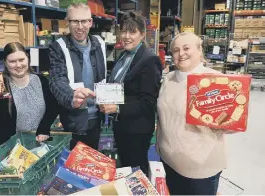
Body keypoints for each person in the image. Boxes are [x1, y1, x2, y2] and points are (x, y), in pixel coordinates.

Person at [157, 32, 233, 195]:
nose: (181, 54)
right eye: (176, 50)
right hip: (170, 160)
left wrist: (221, 120)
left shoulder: (215, 80)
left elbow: (232, 124)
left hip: (200, 167)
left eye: (186, 48)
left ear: (199, 50)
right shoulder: (169, 79)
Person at [99, 11, 162, 176]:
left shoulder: (150, 60)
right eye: (124, 31)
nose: (126, 36)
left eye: (132, 32)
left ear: (142, 34)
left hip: (137, 130)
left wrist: (117, 108)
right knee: (126, 168)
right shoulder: (124, 56)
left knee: (136, 172)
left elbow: (148, 102)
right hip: (122, 126)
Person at [0, 42, 59, 146]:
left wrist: (44, 128)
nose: (18, 65)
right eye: (12, 61)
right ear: (5, 62)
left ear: (27, 58)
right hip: (12, 148)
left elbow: (53, 108)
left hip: (40, 142)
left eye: (21, 60)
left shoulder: (41, 81)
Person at [48, 3, 107, 150]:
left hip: (98, 117)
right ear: (67, 22)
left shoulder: (99, 43)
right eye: (75, 21)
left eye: (84, 21)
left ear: (91, 22)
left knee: (93, 164)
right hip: (73, 121)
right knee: (73, 167)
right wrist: (71, 97)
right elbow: (56, 80)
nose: (80, 26)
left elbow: (105, 76)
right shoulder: (58, 47)